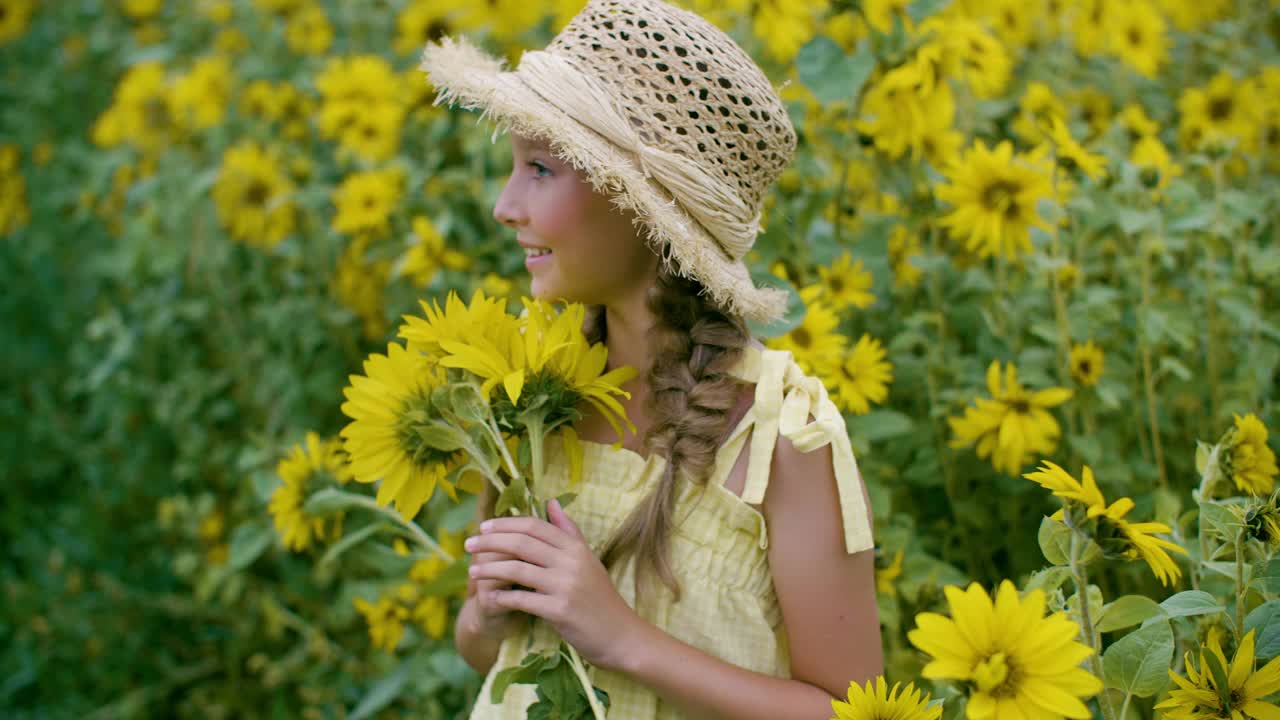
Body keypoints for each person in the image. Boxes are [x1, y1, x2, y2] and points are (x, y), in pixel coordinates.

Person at [420, 1, 881, 717]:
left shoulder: (781, 437)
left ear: (641, 205)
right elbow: (491, 657)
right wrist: (485, 617)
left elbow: (850, 711)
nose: (504, 205)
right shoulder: (535, 396)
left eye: (540, 167)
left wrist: (622, 638)